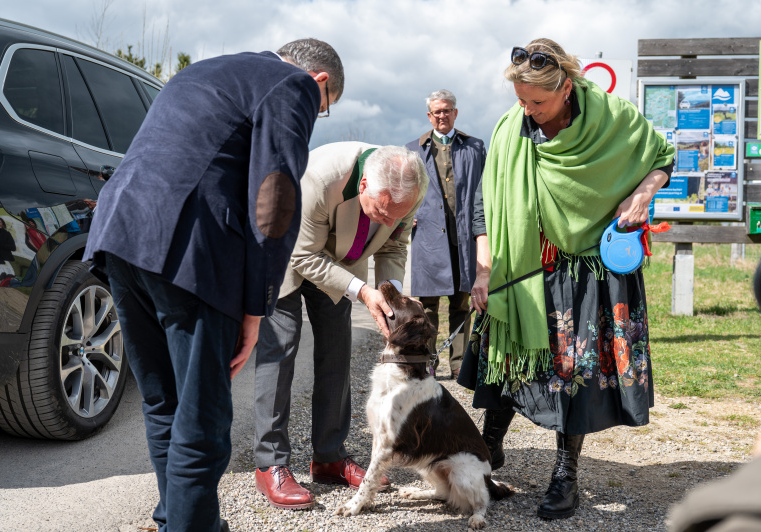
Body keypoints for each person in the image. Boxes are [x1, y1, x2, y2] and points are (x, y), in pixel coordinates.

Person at [82, 39, 344, 532]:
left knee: (164, 403)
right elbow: (275, 198)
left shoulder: (208, 70)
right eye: (323, 110)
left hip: (120, 234)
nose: (316, 113)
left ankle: (178, 519)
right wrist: (256, 308)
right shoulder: (294, 85)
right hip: (191, 250)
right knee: (203, 421)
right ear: (321, 82)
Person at [457, 38, 675, 520]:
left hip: (587, 269)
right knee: (511, 355)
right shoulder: (511, 127)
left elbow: (663, 156)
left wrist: (643, 193)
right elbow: (483, 203)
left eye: (536, 102)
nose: (526, 111)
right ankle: (487, 450)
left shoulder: (614, 118)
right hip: (522, 265)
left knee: (572, 371)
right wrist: (484, 268)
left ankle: (566, 474)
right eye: (520, 100)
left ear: (566, 87)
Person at [253, 142, 427, 510]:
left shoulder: (408, 191)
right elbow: (303, 255)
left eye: (394, 215)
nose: (385, 221)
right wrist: (363, 292)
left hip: (340, 264)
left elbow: (394, 247)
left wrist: (391, 303)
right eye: (380, 212)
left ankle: (330, 457)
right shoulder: (319, 177)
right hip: (288, 252)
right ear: (364, 185)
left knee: (337, 352)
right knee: (280, 350)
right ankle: (270, 462)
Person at [405, 89, 487, 380]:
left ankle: (459, 362)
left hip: (465, 236)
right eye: (436, 111)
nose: (442, 115)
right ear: (429, 116)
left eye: (447, 110)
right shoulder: (413, 149)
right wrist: (408, 214)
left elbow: (485, 190)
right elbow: (405, 189)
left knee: (462, 301)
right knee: (427, 305)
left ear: (455, 113)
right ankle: (428, 361)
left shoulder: (475, 147)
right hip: (428, 236)